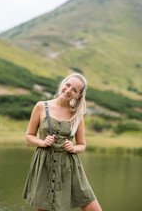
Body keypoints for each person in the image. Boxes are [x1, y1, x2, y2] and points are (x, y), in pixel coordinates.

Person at [22, 73, 102, 211]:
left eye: (75, 90)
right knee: (44, 207)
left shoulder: (76, 115)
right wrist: (42, 142)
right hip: (44, 164)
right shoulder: (41, 106)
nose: (69, 90)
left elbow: (82, 145)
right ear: (63, 84)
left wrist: (73, 148)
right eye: (68, 85)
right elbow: (29, 135)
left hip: (69, 166)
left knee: (92, 207)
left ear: (78, 95)